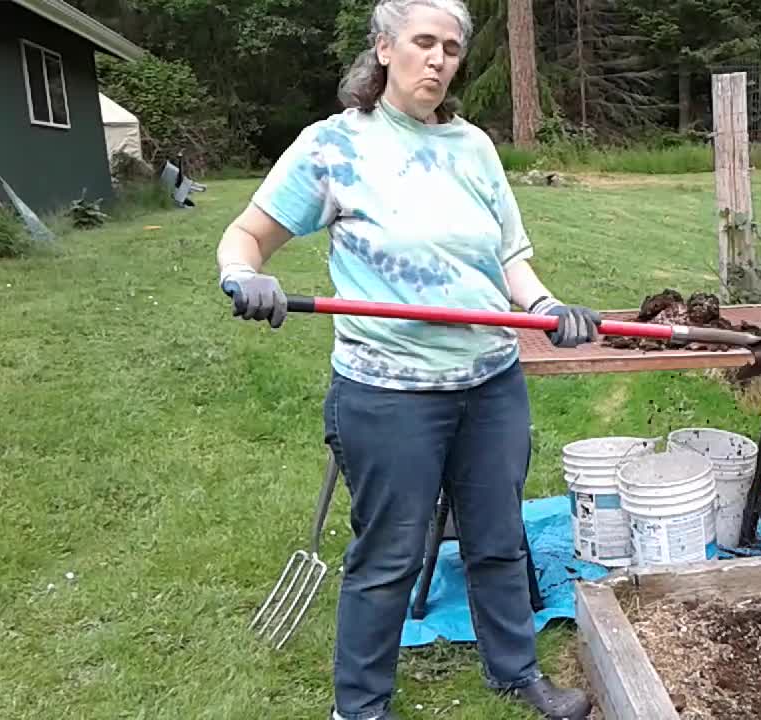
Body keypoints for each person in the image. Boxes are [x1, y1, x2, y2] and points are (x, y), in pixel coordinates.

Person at [214, 1, 599, 718]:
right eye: (423, 42)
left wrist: (546, 308)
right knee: (388, 558)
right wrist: (244, 276)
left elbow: (511, 256)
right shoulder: (333, 146)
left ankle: (515, 672)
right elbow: (246, 237)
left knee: (496, 539)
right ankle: (359, 708)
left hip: (489, 381)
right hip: (388, 391)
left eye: (451, 47)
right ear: (385, 47)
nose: (438, 58)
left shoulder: (473, 147)